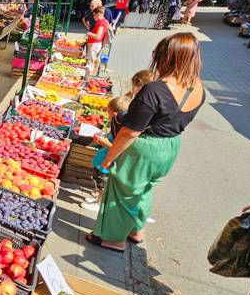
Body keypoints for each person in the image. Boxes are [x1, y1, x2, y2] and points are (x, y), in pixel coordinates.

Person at [86, 33, 205, 252]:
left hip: (144, 148)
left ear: (166, 57)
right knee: (145, 189)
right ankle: (136, 232)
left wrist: (108, 160)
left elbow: (130, 133)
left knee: (122, 191)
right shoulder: (197, 87)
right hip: (170, 146)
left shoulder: (156, 89)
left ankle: (113, 239)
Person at [82, 95, 131, 212]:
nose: (106, 115)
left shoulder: (122, 130)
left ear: (114, 114)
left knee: (102, 183)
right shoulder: (116, 125)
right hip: (102, 159)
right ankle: (97, 197)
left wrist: (104, 142)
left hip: (107, 163)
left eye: (107, 112)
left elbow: (118, 148)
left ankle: (99, 203)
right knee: (97, 179)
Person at [85, 6, 110, 75]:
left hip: (94, 45)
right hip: (95, 44)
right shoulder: (104, 21)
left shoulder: (102, 23)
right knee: (93, 63)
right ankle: (91, 77)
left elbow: (98, 37)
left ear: (98, 14)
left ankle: (88, 79)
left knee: (91, 64)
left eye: (94, 15)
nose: (93, 17)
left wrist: (89, 33)